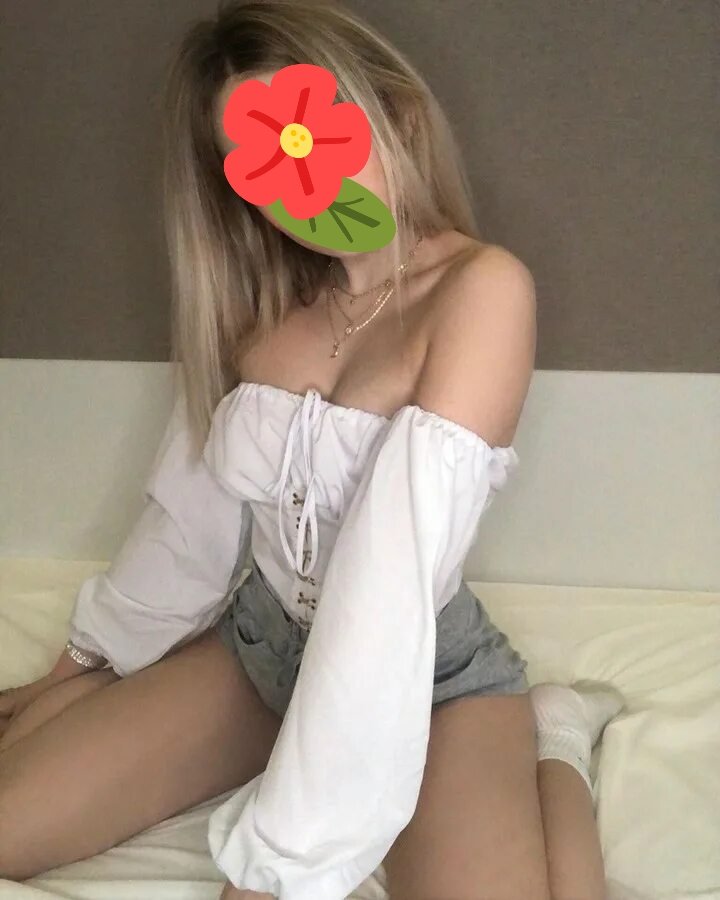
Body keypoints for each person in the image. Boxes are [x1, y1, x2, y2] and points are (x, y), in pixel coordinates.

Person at [0, 2, 624, 898]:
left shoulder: (483, 290)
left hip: (425, 674)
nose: (299, 181)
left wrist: (283, 859)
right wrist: (79, 668)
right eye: (257, 162)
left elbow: (386, 582)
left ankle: (557, 740)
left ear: (398, 117)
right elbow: (189, 525)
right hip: (261, 649)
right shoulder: (260, 313)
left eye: (311, 134)